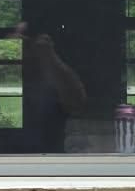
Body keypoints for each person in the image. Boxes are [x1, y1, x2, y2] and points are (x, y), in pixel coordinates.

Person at [16, 19, 87, 151]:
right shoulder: (6, 69)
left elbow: (78, 103)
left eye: (28, 42)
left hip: (49, 158)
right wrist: (4, 52)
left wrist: (50, 57)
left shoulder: (54, 75)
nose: (25, 46)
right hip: (0, 158)